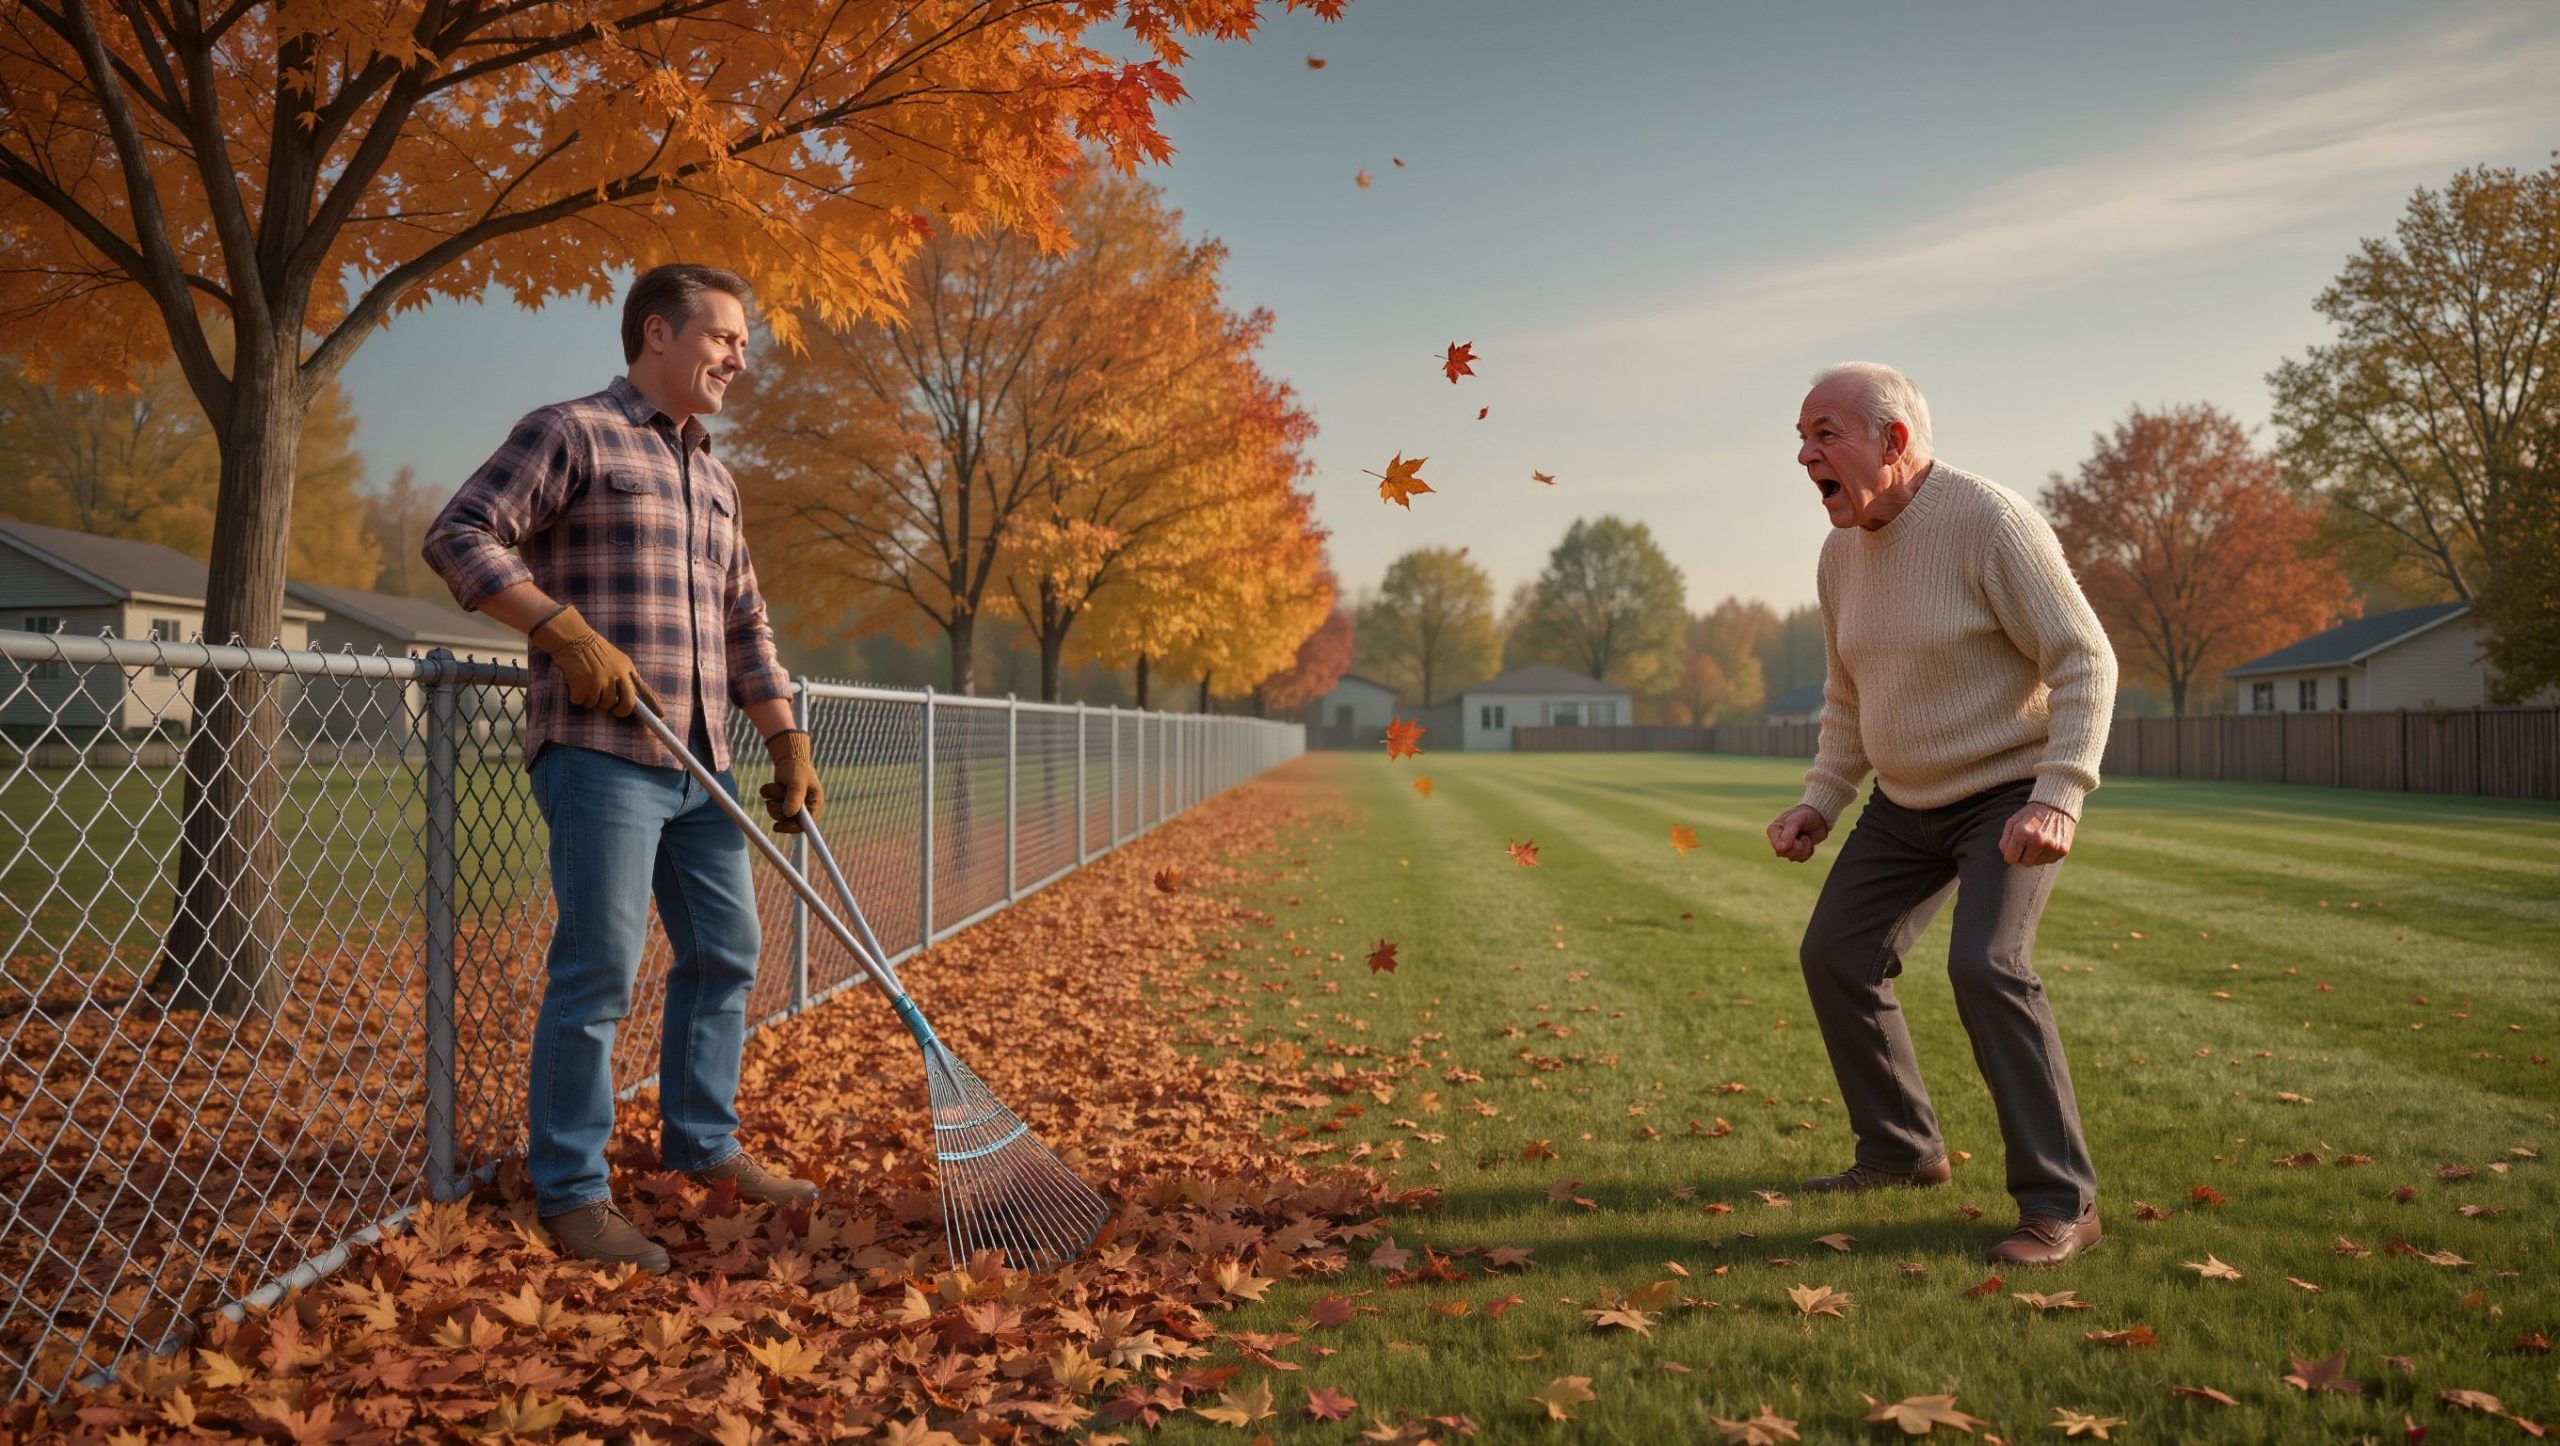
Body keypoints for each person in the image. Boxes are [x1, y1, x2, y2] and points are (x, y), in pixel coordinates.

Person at [424, 263, 825, 1272]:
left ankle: (703, 1145)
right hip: (603, 754)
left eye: (743, 339)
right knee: (599, 968)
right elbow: (460, 533)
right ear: (659, 333)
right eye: (726, 336)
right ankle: (571, 1193)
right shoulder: (571, 432)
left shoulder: (719, 479)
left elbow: (745, 622)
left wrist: (786, 738)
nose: (742, 354)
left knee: (726, 953)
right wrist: (561, 631)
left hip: (707, 766)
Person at [1765, 361, 2119, 1268]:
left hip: (2006, 792)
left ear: (1894, 439)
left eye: (1824, 434)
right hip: (1901, 804)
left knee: (1988, 966)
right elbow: (1851, 699)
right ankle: (1900, 1153)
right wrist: (1820, 801)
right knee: (1836, 955)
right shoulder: (1840, 555)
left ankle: (2062, 1204)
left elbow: (2085, 661)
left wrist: (2058, 796)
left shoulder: (1988, 522)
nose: (1806, 455)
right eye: (1802, 439)